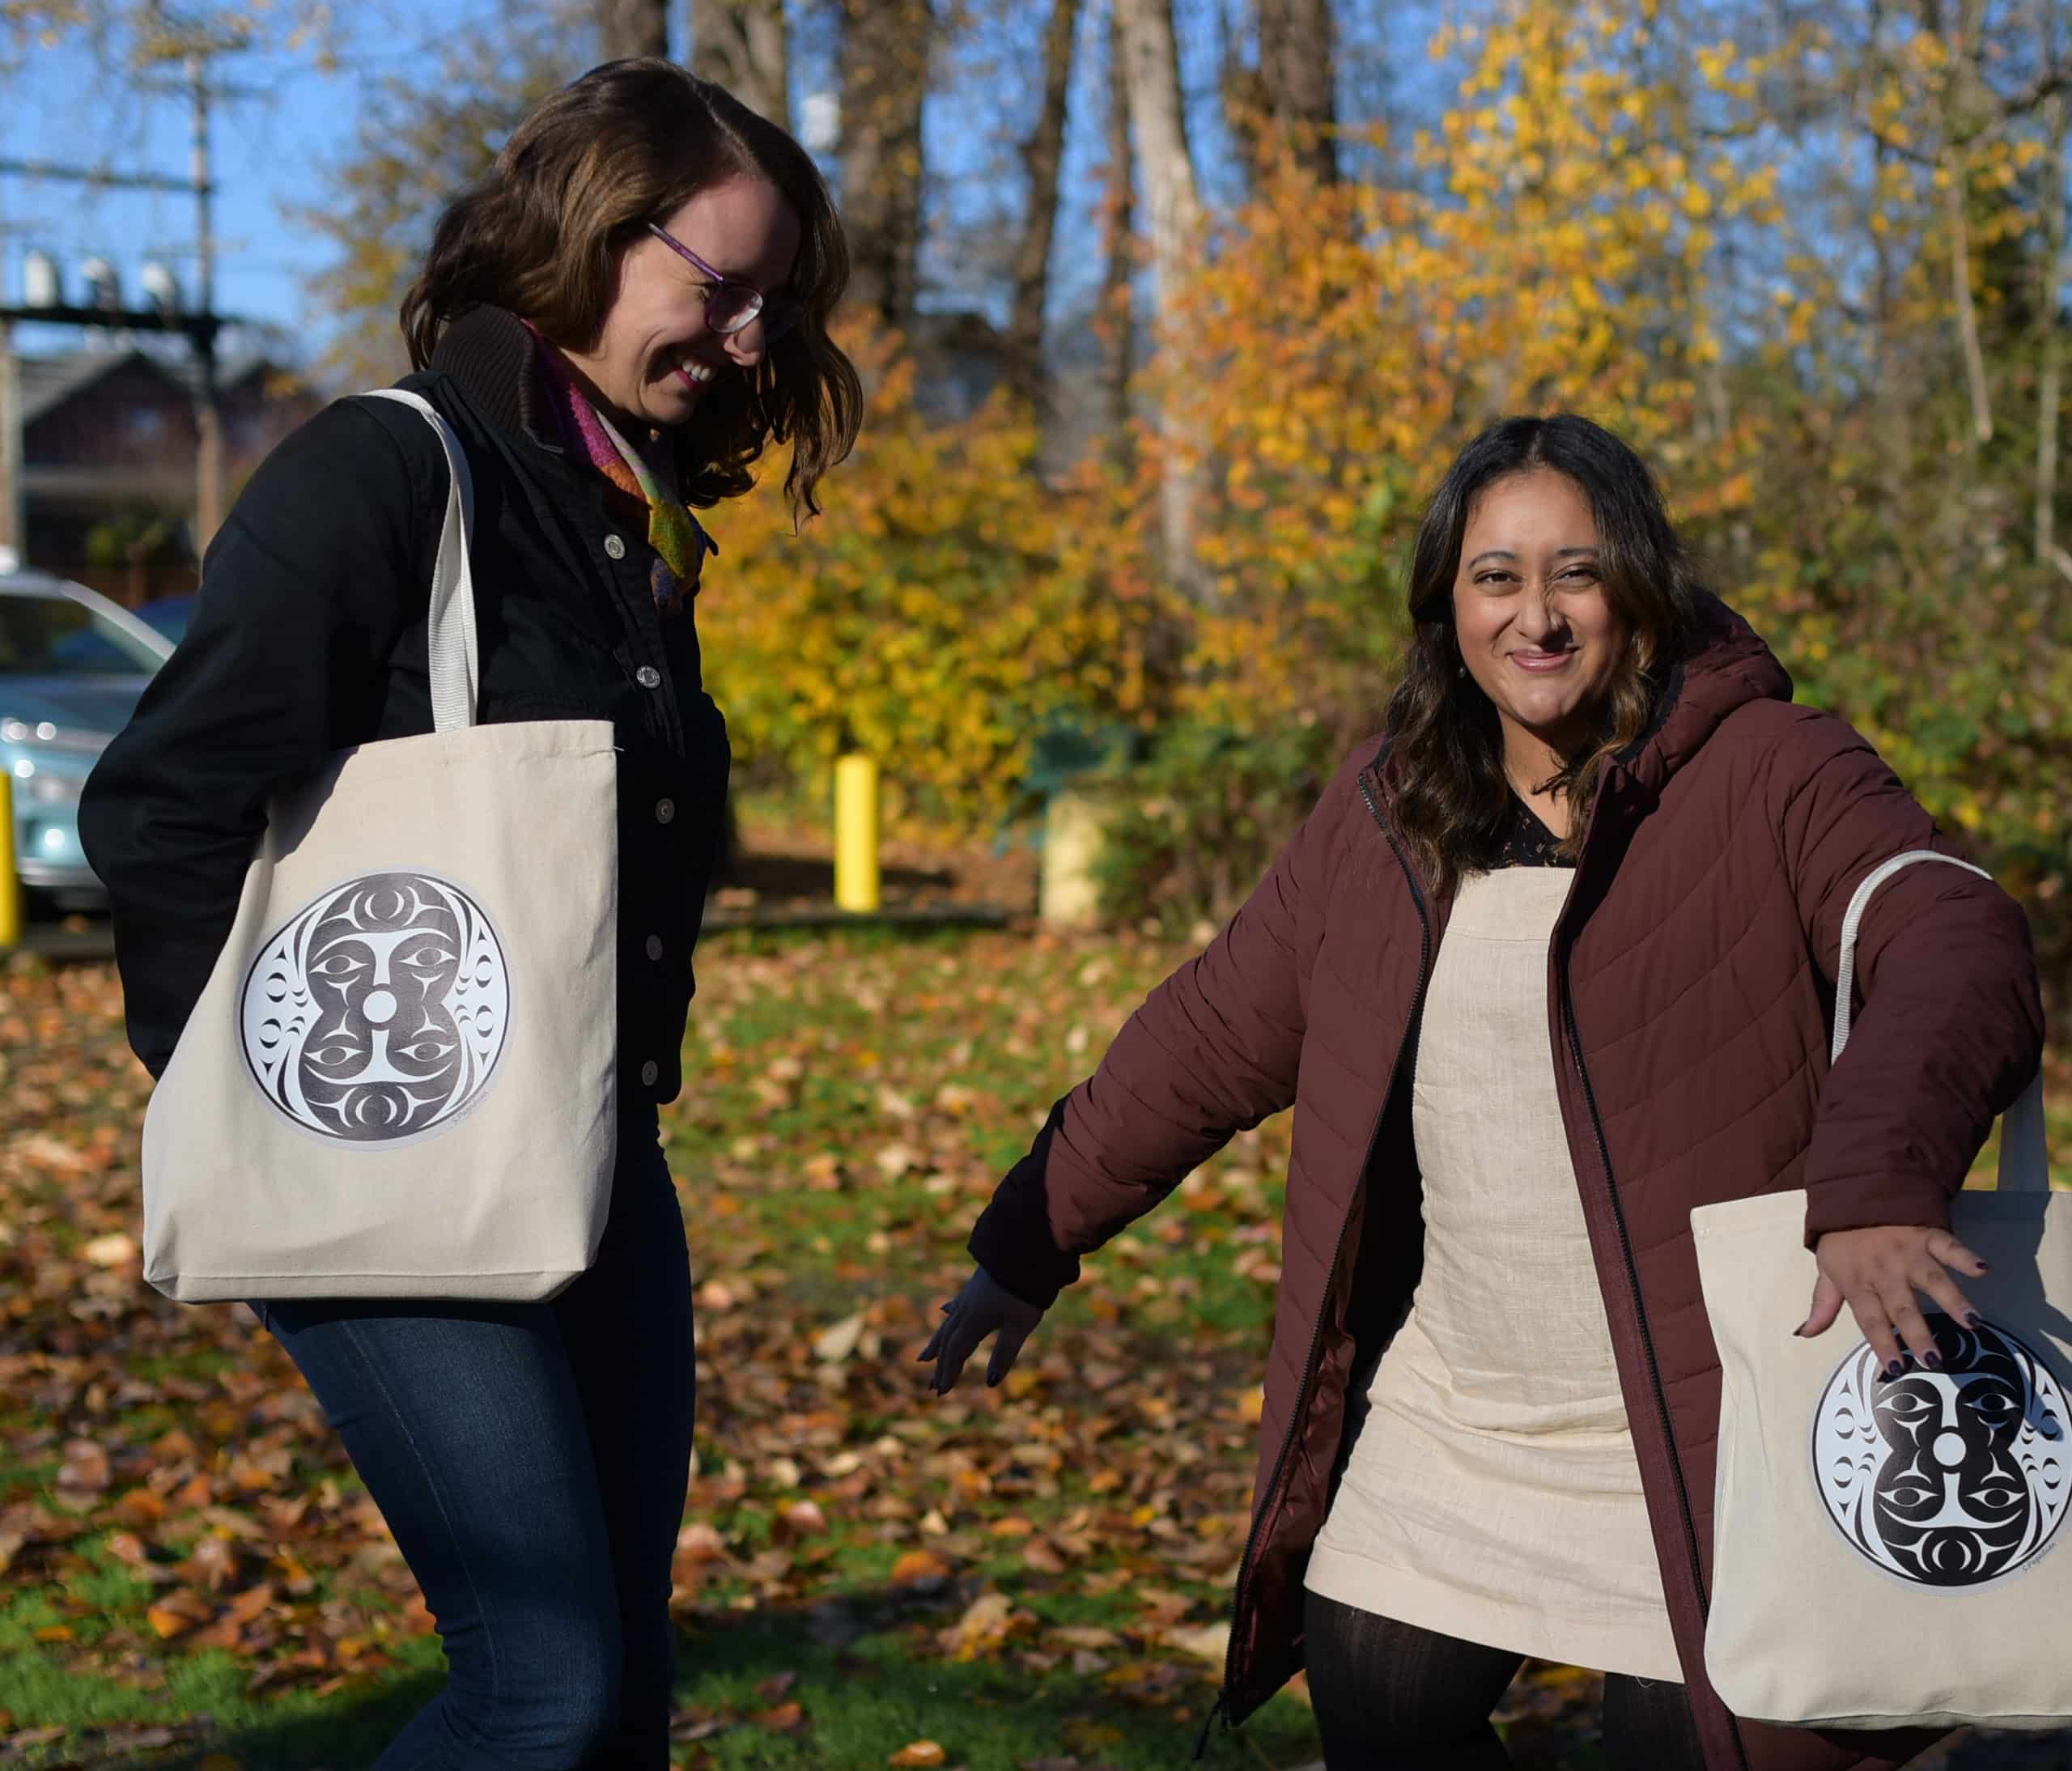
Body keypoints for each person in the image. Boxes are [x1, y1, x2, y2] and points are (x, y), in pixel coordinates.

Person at [923, 415, 2043, 1771]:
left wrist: (1876, 1184)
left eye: (1575, 573)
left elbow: (1954, 934)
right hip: (1458, 1419)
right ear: (1446, 603)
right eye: (1494, 577)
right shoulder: (1391, 810)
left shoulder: (1772, 766)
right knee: (1372, 1698)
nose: (1538, 616)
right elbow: (1209, 1033)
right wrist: (1030, 1241)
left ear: (1640, 583)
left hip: (1711, 1431)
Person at [79, 61, 860, 1769]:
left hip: (586, 1154)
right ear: (589, 229)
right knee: (541, 1688)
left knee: (621, 1704)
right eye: (717, 286)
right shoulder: (382, 471)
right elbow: (161, 806)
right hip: (392, 1159)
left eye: (768, 305)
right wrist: (264, 1099)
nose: (744, 338)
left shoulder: (614, 509)